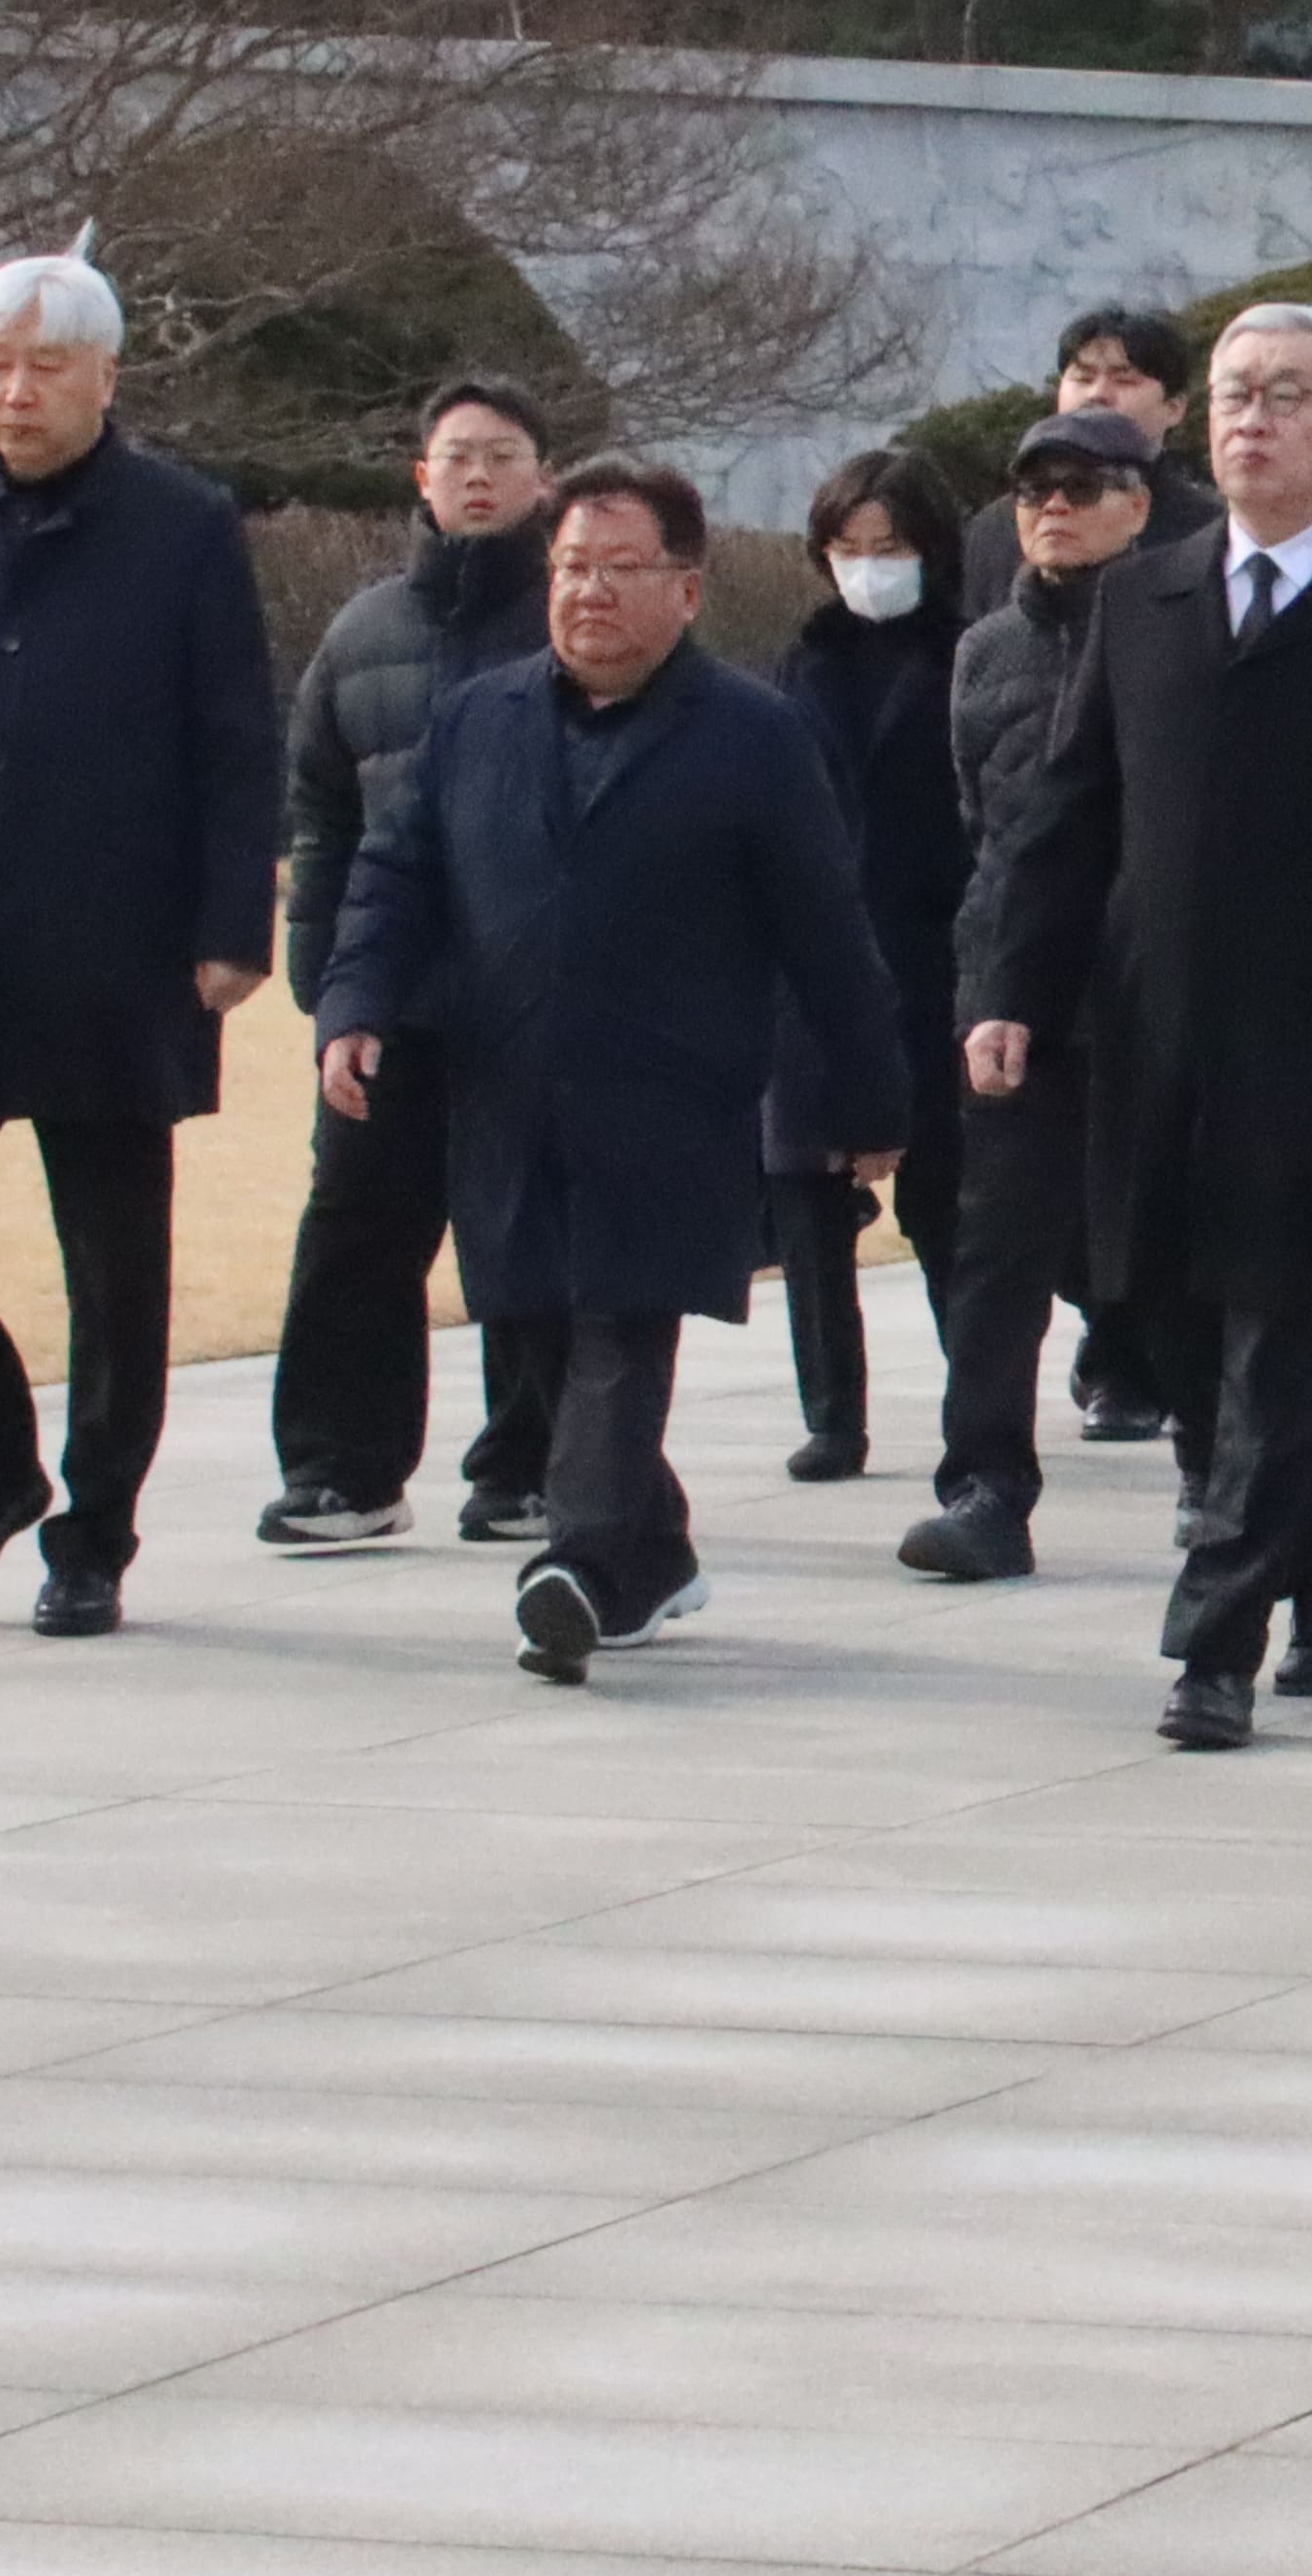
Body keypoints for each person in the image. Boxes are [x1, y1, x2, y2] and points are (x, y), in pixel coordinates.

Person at [958, 300, 1312, 1748]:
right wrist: (1013, 990)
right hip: (1154, 1037)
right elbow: (1068, 818)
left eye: (1288, 394)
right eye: (1235, 394)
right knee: (1177, 1335)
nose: (1253, 418)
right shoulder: (1141, 598)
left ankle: (1213, 1644)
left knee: (1281, 1340)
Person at [314, 458, 908, 1687]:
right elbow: (395, 874)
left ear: (686, 589)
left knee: (620, 1332)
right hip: (506, 1093)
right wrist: (356, 1002)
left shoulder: (753, 735)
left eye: (619, 567)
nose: (588, 590)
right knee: (537, 1328)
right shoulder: (478, 718)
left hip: (668, 1104)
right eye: (572, 566)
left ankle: (579, 1569)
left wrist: (869, 1100)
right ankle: (653, 1550)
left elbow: (825, 931)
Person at [0, 253, 281, 1639]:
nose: (16, 393)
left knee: (113, 1257)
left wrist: (231, 927)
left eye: (44, 367)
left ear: (104, 377)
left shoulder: (185, 525)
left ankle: (95, 1532)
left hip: (117, 940)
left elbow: (234, 736)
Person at [259, 378, 569, 1552]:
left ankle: (529, 1466)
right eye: (456, 456)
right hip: (389, 995)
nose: (477, 475)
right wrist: (327, 977)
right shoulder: (363, 630)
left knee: (530, 1226)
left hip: (532, 993)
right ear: (420, 477)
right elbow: (321, 812)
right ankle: (341, 1469)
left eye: (503, 454)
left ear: (544, 476)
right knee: (358, 1224)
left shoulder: (571, 615)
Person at [907, 410, 1158, 1581]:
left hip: (1154, 985)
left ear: (1138, 503)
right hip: (1015, 985)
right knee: (998, 1253)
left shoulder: (1176, 628)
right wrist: (993, 979)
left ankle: (1224, 1473)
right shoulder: (985, 650)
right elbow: (985, 821)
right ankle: (984, 1484)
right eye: (1032, 491)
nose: (1052, 508)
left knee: (1172, 1247)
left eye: (1080, 486)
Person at [769, 448, 974, 1491]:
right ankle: (831, 1415)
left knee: (945, 1200)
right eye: (848, 548)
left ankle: (977, 1406)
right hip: (813, 958)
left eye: (888, 547)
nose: (867, 567)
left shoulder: (967, 653)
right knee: (808, 1198)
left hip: (933, 952)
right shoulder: (801, 663)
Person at [953, 298, 1219, 618]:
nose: (1097, 394)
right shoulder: (997, 528)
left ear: (1175, 407)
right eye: (1083, 378)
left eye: (1124, 380)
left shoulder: (1209, 531)